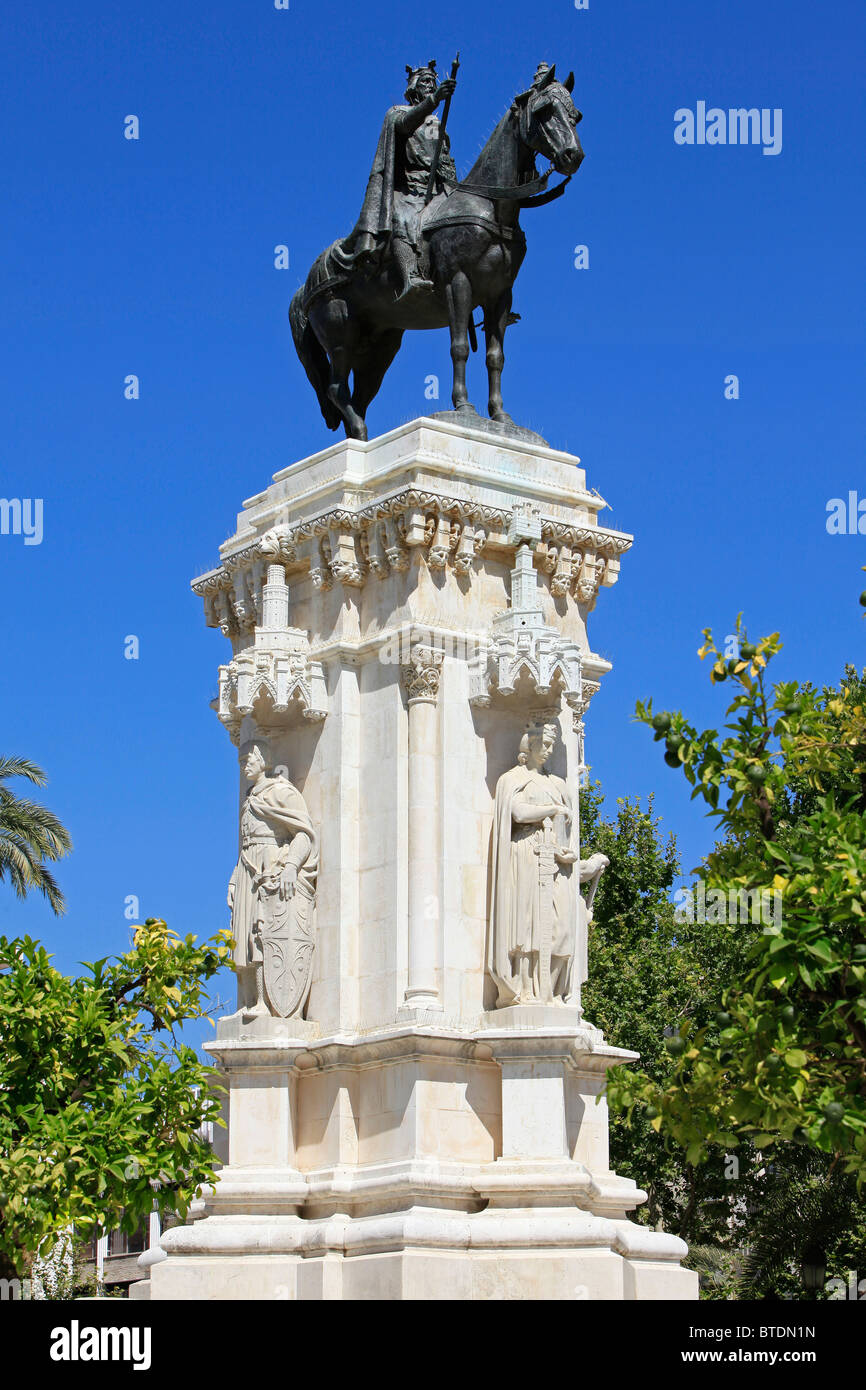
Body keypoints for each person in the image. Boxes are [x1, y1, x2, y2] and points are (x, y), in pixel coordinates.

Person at [342, 61, 458, 299]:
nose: (430, 86)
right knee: (403, 218)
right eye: (425, 82)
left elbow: (442, 156)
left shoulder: (436, 124)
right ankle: (409, 277)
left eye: (433, 83)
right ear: (414, 87)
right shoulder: (398, 113)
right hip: (410, 188)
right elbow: (405, 126)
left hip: (440, 188)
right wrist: (434, 100)